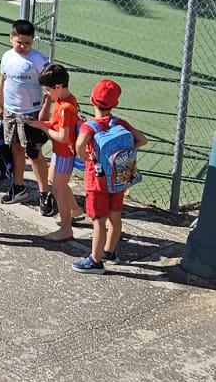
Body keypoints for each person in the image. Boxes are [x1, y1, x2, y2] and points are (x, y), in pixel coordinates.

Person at [74, 79, 142, 274]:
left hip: (96, 180)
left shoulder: (90, 126)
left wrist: (84, 156)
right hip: (118, 179)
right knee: (115, 217)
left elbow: (80, 144)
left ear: (91, 99)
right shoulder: (119, 123)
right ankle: (110, 252)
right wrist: (121, 156)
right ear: (116, 104)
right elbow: (141, 139)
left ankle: (95, 261)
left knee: (98, 221)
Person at [0, 19, 51, 208]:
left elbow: (50, 86)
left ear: (33, 41)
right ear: (11, 38)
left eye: (27, 43)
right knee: (16, 149)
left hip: (32, 114)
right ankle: (18, 187)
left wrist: (45, 110)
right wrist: (0, 106)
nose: (23, 46)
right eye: (19, 42)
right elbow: (2, 81)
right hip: (11, 112)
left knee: (34, 154)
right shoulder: (6, 57)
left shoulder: (38, 60)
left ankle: (45, 193)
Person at [38, 63, 80, 242]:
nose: (46, 93)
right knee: (54, 181)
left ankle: (66, 228)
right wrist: (43, 124)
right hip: (59, 152)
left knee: (58, 190)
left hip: (64, 153)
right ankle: (75, 211)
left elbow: (63, 137)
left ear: (58, 87)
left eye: (47, 90)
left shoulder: (65, 108)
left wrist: (44, 128)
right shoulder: (61, 100)